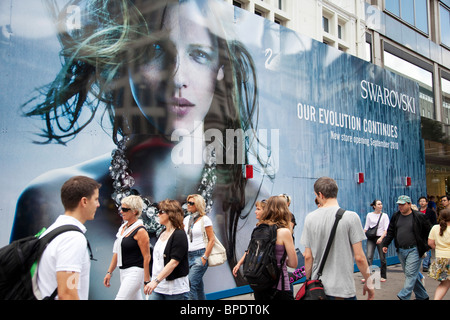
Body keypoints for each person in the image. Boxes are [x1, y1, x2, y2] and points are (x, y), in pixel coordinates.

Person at [14, 0, 272, 298]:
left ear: (221, 69)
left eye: (199, 54)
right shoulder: (49, 202)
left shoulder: (250, 207)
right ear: (125, 58)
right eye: (155, 50)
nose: (177, 78)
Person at [301, 177, 374, 300]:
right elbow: (360, 257)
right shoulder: (351, 217)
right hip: (343, 290)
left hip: (318, 290)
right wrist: (369, 282)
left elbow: (308, 256)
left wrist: (308, 281)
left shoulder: (310, 218)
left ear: (320, 194)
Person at [36, 176, 101, 300]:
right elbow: (67, 294)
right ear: (84, 201)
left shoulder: (51, 232)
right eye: (96, 199)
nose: (98, 204)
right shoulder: (72, 239)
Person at [382, 195, 432, 300]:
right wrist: (386, 244)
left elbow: (429, 231)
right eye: (399, 205)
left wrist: (427, 246)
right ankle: (422, 296)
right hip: (401, 250)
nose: (400, 207)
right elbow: (391, 231)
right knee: (411, 274)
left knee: (410, 274)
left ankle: (403, 296)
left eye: (403, 204)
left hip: (415, 249)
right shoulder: (396, 216)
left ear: (409, 204)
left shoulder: (418, 216)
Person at [103, 195, 151, 300]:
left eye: (124, 209)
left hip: (135, 272)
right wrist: (109, 272)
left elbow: (147, 257)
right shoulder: (123, 228)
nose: (121, 211)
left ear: (134, 211)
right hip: (123, 271)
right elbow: (116, 252)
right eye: (121, 208)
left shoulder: (140, 231)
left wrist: (147, 281)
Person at [251, 196, 298, 300]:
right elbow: (293, 263)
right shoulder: (284, 232)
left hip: (260, 285)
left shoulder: (258, 229)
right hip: (280, 286)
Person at [144, 199, 189, 300]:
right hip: (158, 288)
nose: (158, 214)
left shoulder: (179, 234)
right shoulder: (162, 233)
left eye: (161, 212)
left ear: (170, 214)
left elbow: (174, 262)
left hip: (175, 290)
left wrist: (156, 281)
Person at [183, 194, 215, 300]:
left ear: (198, 205)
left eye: (191, 203)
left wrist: (204, 257)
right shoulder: (187, 219)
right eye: (188, 202)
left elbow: (212, 239)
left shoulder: (205, 219)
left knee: (190, 285)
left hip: (199, 255)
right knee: (198, 288)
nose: (188, 205)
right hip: (188, 256)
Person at [232, 199, 266, 277]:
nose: (255, 212)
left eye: (258, 209)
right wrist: (239, 264)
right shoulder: (257, 228)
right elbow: (250, 248)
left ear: (266, 211)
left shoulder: (271, 229)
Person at [363, 199, 389, 282]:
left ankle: (383, 275)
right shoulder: (369, 215)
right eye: (378, 204)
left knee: (382, 257)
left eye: (381, 204)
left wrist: (381, 238)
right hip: (371, 238)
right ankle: (368, 276)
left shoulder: (384, 215)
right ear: (374, 206)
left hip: (381, 237)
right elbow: (366, 227)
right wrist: (361, 236)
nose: (380, 205)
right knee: (369, 256)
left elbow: (386, 229)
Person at [428, 208, 450, 300]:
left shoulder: (435, 228)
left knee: (444, 283)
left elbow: (430, 243)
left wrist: (439, 249)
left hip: (440, 258)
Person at [418, 196, 437, 272]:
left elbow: (434, 222)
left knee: (427, 246)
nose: (422, 202)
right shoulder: (417, 211)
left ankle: (425, 265)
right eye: (420, 201)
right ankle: (427, 262)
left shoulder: (430, 212)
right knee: (423, 247)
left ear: (427, 203)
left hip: (429, 232)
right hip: (419, 232)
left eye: (423, 201)